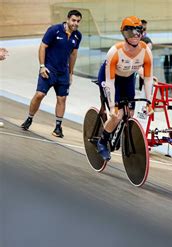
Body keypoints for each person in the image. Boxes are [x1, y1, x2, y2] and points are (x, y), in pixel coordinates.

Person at [95, 16, 154, 161]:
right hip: (110, 78)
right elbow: (109, 82)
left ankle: (117, 132)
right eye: (130, 33)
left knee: (130, 113)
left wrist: (149, 102)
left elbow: (147, 78)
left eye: (137, 32)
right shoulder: (114, 51)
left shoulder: (146, 52)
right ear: (124, 34)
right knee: (117, 114)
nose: (134, 36)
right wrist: (112, 105)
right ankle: (102, 141)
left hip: (127, 78)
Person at [21, 10, 82, 137]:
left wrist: (71, 73)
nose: (76, 23)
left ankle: (58, 128)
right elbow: (42, 46)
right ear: (68, 19)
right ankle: (29, 119)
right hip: (49, 69)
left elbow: (73, 54)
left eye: (78, 21)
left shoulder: (77, 36)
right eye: (74, 20)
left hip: (63, 72)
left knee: (62, 99)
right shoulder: (54, 30)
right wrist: (42, 66)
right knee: (39, 95)